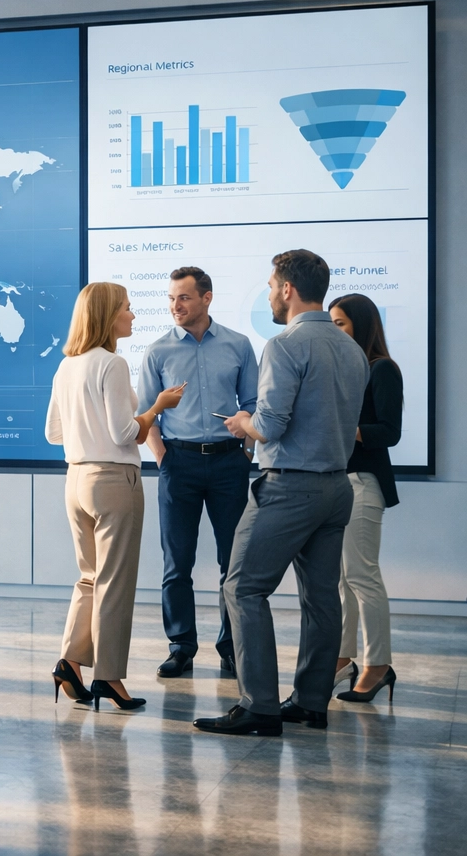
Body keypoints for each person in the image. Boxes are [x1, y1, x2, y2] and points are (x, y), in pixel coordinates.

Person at [194, 249, 368, 736]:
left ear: (288, 289)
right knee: (320, 598)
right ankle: (312, 702)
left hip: (289, 486)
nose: (270, 294)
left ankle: (259, 707)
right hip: (337, 488)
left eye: (272, 286)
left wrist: (242, 422)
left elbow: (269, 426)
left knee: (242, 587)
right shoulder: (351, 348)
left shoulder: (285, 344)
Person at [46, 282, 183, 711]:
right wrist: (157, 406)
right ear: (108, 316)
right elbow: (128, 433)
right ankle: (109, 678)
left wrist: (87, 435)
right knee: (114, 584)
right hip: (113, 482)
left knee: (89, 577)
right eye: (127, 308)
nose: (133, 316)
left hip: (76, 481)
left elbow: (53, 434)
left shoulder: (67, 366)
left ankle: (70, 662)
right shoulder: (113, 364)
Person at [139, 266, 259, 679]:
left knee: (234, 562)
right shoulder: (157, 352)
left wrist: (246, 451)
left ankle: (230, 647)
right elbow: (146, 415)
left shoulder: (239, 345)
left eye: (184, 297)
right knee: (177, 562)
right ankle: (180, 646)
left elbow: (255, 403)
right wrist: (162, 457)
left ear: (207, 298)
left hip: (229, 463)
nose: (176, 306)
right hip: (180, 463)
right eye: (172, 298)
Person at [328, 293, 404, 703]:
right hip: (338, 482)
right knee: (341, 581)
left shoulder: (382, 369)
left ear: (361, 325)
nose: (333, 330)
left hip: (362, 481)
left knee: (362, 577)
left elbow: (388, 432)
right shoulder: (346, 368)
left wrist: (344, 425)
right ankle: (342, 659)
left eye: (340, 324)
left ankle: (378, 665)